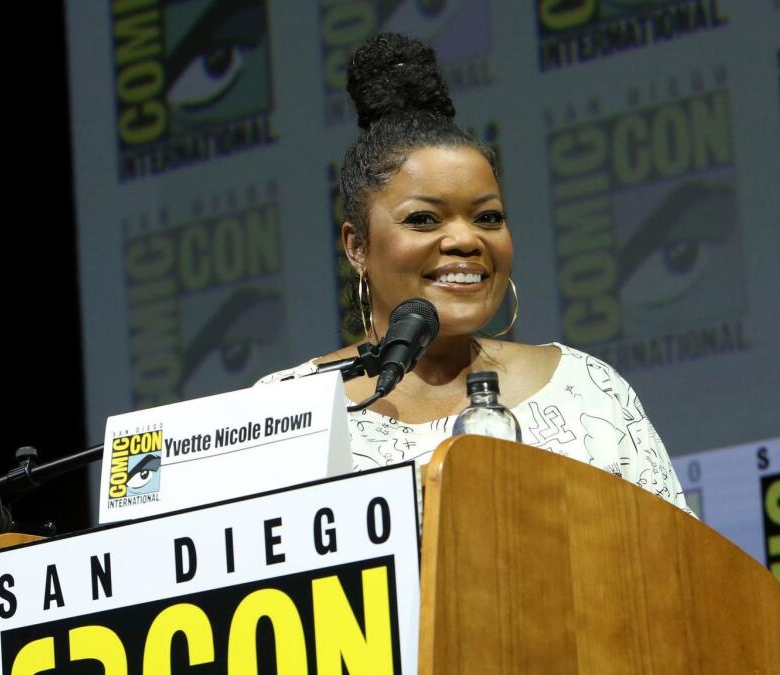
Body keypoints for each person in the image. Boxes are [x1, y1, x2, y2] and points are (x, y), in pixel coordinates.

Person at [259, 33, 690, 514]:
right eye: (424, 219)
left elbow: (681, 569)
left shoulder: (587, 390)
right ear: (357, 246)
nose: (467, 240)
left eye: (488, 218)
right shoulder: (281, 413)